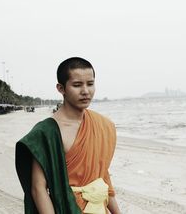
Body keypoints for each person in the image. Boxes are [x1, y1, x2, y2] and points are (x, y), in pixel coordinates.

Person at [15, 57, 121, 214]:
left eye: (90, 84)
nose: (85, 91)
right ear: (61, 88)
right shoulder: (47, 132)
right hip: (66, 208)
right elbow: (38, 189)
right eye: (77, 85)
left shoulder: (103, 125)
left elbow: (102, 176)